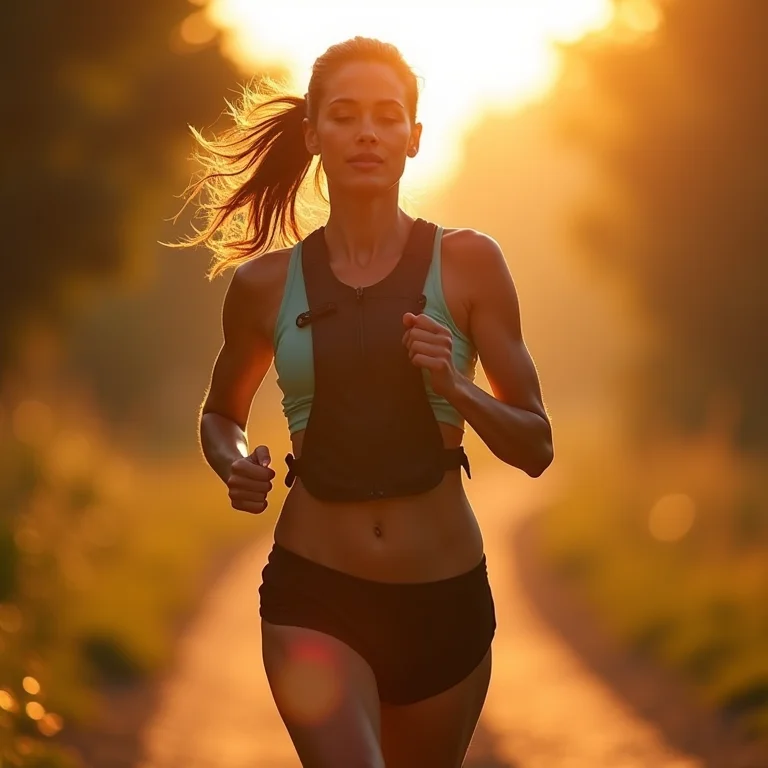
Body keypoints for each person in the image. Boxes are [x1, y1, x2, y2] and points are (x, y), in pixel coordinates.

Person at [181, 36, 553, 768]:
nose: (368, 133)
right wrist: (232, 463)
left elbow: (536, 446)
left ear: (414, 138)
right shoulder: (263, 286)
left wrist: (457, 387)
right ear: (314, 133)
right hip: (315, 596)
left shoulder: (471, 263)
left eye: (388, 117)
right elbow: (220, 412)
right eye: (345, 116)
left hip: (443, 603)